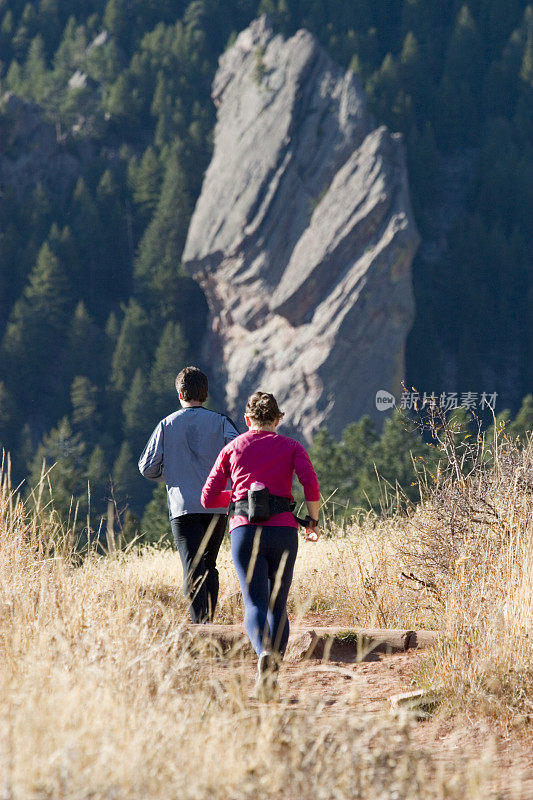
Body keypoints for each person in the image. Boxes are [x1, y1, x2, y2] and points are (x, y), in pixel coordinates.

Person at [201, 391, 320, 698]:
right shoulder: (291, 446)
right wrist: (313, 520)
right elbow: (311, 483)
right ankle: (273, 672)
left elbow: (208, 496)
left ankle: (262, 653)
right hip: (283, 531)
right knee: (277, 605)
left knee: (254, 602)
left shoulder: (232, 448)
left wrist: (241, 499)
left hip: (243, 532)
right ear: (277, 419)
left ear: (247, 419)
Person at [139, 366, 239, 623]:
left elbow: (147, 467)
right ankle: (210, 622)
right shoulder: (221, 422)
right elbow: (239, 455)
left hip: (182, 506)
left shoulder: (166, 424)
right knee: (210, 564)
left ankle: (200, 625)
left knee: (191, 566)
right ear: (205, 394)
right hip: (217, 503)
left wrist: (172, 476)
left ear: (180, 394)